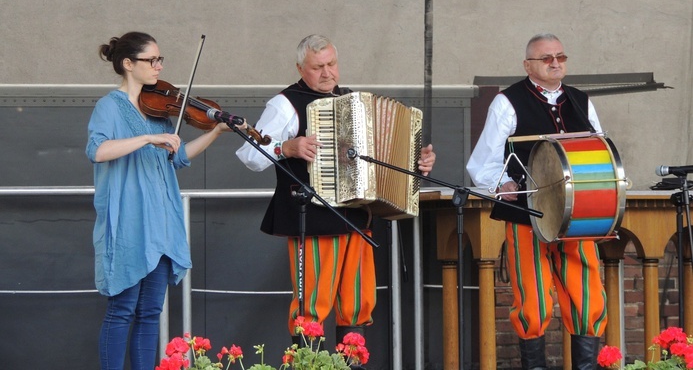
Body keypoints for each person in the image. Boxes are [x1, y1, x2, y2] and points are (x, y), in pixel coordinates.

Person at [235, 34, 436, 360]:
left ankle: (352, 365)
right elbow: (250, 155)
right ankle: (310, 366)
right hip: (311, 218)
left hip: (356, 217)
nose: (327, 73)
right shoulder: (285, 104)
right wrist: (287, 147)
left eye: (332, 64)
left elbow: (375, 160)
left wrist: (415, 164)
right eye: (318, 67)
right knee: (311, 305)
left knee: (358, 301)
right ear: (301, 68)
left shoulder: (353, 102)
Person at [86, 31, 236, 370]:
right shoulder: (109, 106)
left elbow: (178, 157)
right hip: (129, 223)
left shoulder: (156, 110)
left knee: (150, 313)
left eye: (160, 59)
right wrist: (148, 137)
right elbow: (98, 151)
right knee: (122, 310)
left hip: (161, 225)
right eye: (151, 60)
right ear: (128, 64)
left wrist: (213, 132)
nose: (159, 66)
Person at [466, 33, 607, 370]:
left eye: (561, 56)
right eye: (546, 58)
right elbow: (482, 164)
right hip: (527, 213)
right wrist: (506, 183)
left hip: (577, 215)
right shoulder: (508, 101)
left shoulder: (581, 100)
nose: (555, 62)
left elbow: (598, 150)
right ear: (527, 65)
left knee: (587, 296)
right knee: (533, 300)